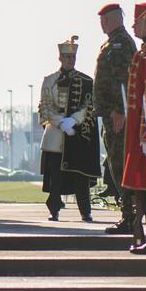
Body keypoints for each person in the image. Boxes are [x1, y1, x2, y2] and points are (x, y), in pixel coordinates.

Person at [113, 2, 146, 242]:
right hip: (138, 132)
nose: (134, 25)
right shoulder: (144, 52)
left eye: (138, 20)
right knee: (141, 186)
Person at [38, 37, 98, 222]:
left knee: (80, 176)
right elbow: (45, 106)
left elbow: (88, 105)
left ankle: (85, 211)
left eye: (72, 57)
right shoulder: (50, 80)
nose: (70, 60)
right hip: (55, 135)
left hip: (76, 134)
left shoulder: (86, 80)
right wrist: (60, 122)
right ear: (60, 58)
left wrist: (73, 120)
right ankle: (54, 209)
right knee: (55, 175)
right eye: (67, 56)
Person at [92, 4, 136, 206]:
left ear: (117, 19)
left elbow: (125, 80)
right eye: (101, 20)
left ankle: (130, 213)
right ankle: (127, 211)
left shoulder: (122, 44)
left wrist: (120, 110)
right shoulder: (111, 43)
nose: (103, 24)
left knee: (119, 165)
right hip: (109, 115)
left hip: (117, 116)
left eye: (106, 20)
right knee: (114, 163)